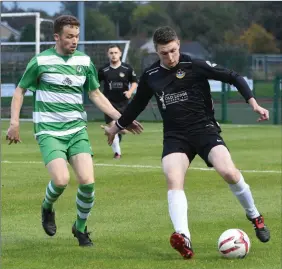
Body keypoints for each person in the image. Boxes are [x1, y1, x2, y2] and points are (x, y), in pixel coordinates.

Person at [102, 26, 270, 258]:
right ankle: (184, 237)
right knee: (173, 179)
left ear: (178, 44)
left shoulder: (195, 65)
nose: (170, 57)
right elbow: (137, 105)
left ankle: (254, 216)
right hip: (175, 136)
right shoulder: (151, 75)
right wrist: (117, 125)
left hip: (204, 130)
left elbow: (233, 76)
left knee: (228, 172)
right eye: (164, 53)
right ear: (157, 52)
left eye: (172, 51)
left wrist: (253, 103)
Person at [6, 15, 142, 247]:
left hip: (76, 130)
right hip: (49, 131)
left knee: (88, 183)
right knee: (60, 180)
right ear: (57, 37)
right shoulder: (40, 62)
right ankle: (47, 207)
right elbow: (20, 91)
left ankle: (80, 228)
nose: (74, 41)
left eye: (77, 36)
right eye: (69, 37)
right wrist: (14, 122)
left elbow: (95, 94)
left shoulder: (84, 62)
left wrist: (122, 118)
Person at [98, 44, 138, 159]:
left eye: (115, 53)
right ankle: (117, 153)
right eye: (111, 53)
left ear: (120, 54)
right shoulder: (103, 70)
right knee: (113, 127)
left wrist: (130, 92)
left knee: (124, 130)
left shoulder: (127, 69)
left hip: (123, 104)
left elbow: (135, 82)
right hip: (108, 104)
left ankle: (111, 131)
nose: (113, 55)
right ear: (108, 55)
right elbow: (95, 85)